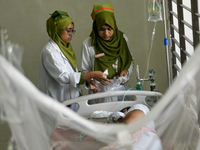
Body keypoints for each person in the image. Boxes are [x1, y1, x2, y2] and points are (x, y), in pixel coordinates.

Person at [38, 10, 111, 136]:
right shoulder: (50, 52)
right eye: (68, 30)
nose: (71, 34)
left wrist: (88, 80)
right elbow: (63, 77)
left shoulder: (65, 48)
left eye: (72, 30)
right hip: (58, 105)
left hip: (70, 104)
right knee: (59, 140)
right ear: (57, 29)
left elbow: (72, 73)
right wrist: (92, 74)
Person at [81, 2, 134, 103]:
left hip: (121, 91)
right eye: (102, 29)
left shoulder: (122, 40)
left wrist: (127, 71)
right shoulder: (88, 44)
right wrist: (90, 82)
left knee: (124, 116)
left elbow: (130, 61)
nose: (106, 33)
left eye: (110, 29)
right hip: (100, 93)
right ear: (96, 28)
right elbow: (85, 70)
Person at [50, 104, 163, 150]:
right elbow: (100, 145)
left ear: (125, 111)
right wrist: (67, 143)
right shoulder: (114, 132)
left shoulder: (140, 107)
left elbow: (127, 125)